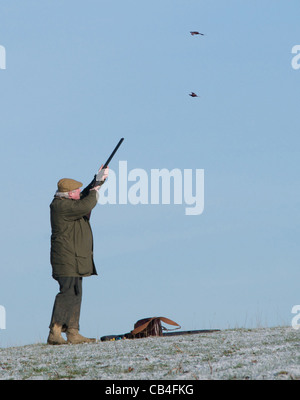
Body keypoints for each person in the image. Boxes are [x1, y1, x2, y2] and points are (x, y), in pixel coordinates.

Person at [47, 167, 108, 345]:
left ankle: (73, 332)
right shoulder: (61, 206)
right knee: (66, 293)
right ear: (67, 194)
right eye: (76, 191)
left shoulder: (67, 202)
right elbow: (86, 204)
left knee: (76, 292)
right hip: (65, 259)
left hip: (73, 258)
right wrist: (95, 192)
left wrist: (99, 178)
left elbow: (83, 197)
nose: (79, 192)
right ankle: (55, 332)